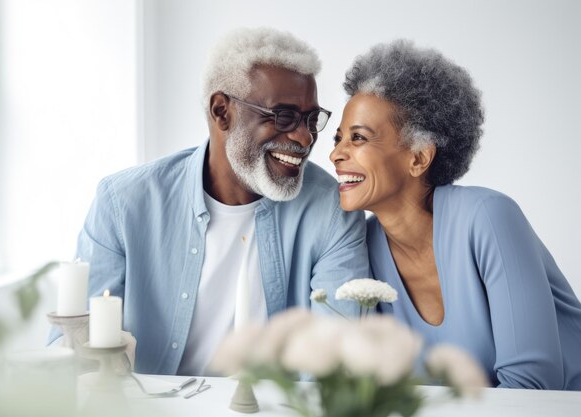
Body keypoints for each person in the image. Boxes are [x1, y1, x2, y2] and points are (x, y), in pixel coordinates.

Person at [50, 27, 370, 376]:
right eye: (284, 116)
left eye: (311, 120)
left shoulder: (332, 208)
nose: (305, 136)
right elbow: (68, 353)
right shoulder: (124, 204)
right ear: (222, 112)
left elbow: (335, 363)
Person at [330, 39, 581, 390]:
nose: (336, 156)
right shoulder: (362, 248)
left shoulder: (488, 218)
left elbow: (532, 387)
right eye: (337, 139)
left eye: (358, 138)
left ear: (419, 158)